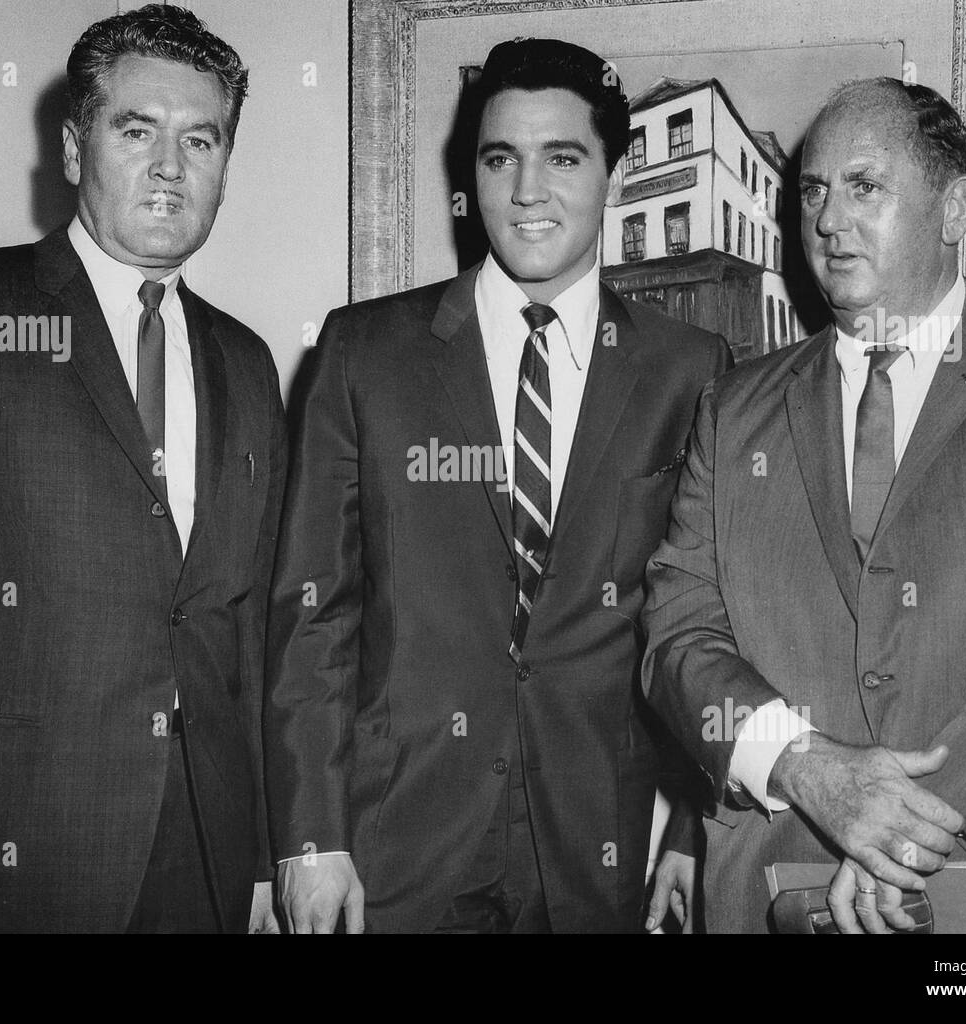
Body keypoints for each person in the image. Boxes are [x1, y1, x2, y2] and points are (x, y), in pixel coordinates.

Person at [0, 4, 284, 933]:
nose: (168, 167)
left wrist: (263, 854)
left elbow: (249, 631)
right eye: (136, 129)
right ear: (73, 150)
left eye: (202, 139)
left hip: (205, 857)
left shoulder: (248, 360)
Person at [266, 37, 731, 934]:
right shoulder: (364, 353)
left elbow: (702, 615)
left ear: (615, 175)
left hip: (603, 845)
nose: (526, 191)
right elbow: (310, 615)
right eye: (500, 158)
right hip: (398, 840)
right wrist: (308, 839)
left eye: (563, 158)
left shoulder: (689, 368)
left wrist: (690, 827)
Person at [642, 77, 966, 933]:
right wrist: (806, 768)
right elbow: (678, 629)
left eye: (864, 186)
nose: (826, 220)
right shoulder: (732, 407)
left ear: (956, 208)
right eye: (813, 190)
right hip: (778, 886)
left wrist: (905, 830)